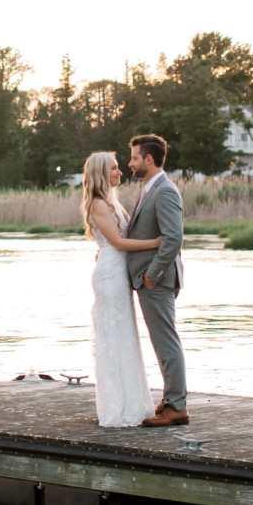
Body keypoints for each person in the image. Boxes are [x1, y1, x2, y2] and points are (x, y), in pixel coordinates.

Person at [81, 150, 160, 427]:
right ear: (102, 173)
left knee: (125, 335)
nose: (119, 172)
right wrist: (155, 243)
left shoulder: (111, 202)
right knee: (114, 338)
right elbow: (117, 242)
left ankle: (133, 403)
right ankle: (117, 408)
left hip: (117, 273)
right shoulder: (99, 204)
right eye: (114, 168)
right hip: (110, 278)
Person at [125, 133, 189, 426]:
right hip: (149, 278)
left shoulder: (164, 190)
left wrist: (152, 275)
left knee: (166, 342)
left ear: (148, 159)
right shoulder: (152, 188)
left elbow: (173, 238)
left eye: (135, 158)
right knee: (162, 341)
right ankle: (171, 400)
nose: (130, 163)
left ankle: (176, 407)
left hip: (157, 279)